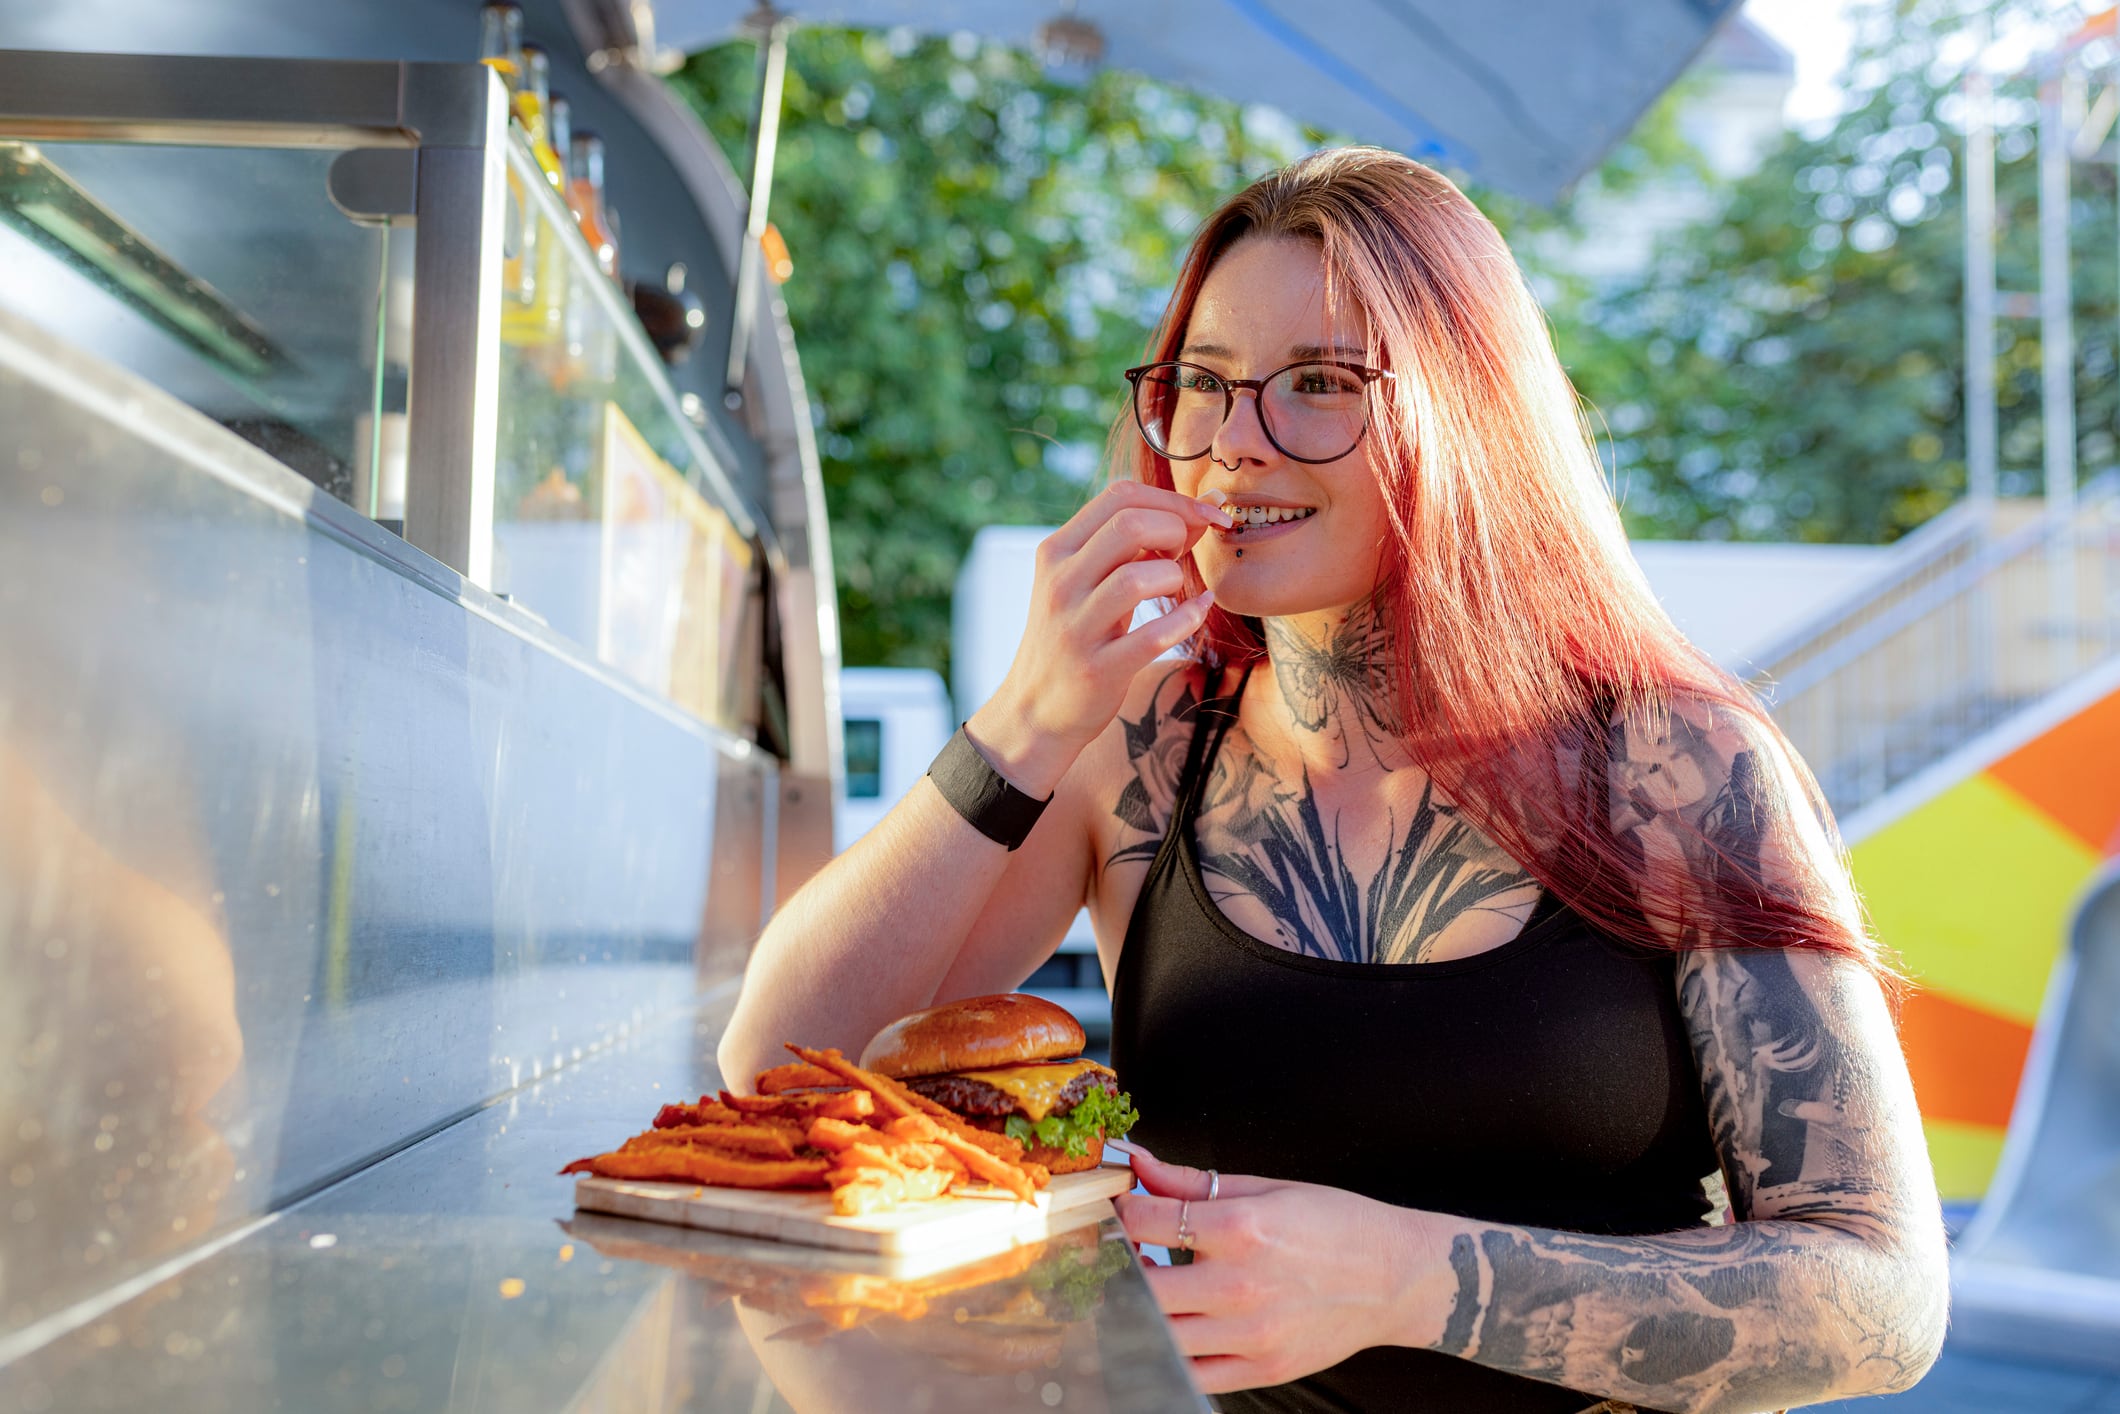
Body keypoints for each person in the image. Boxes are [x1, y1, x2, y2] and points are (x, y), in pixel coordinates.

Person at [721, 147, 1948, 1412]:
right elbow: (775, 1070)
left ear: (1467, 410)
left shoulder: (1680, 772)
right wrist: (1021, 726)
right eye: (1202, 385)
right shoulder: (1133, 750)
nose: (1230, 447)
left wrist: (1409, 1277)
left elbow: (1879, 1299)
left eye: (1314, 384)